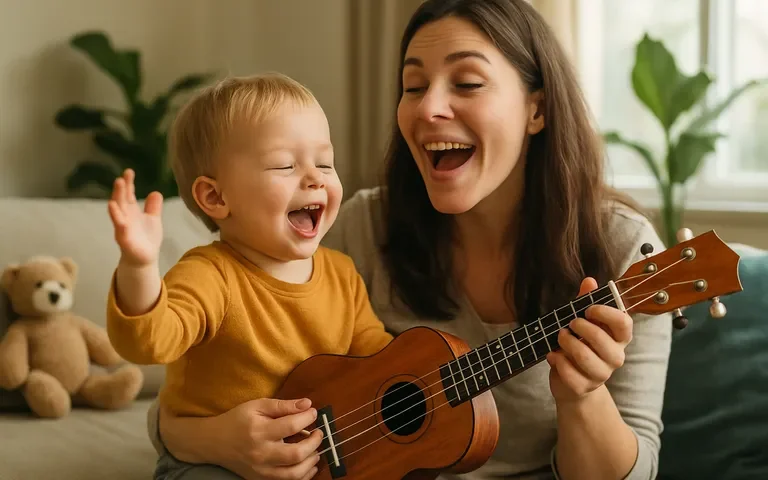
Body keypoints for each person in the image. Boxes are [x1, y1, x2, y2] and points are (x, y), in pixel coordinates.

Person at [145, 0, 673, 479]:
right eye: (413, 87)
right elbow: (201, 393)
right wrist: (224, 440)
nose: (426, 109)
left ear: (537, 109)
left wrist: (583, 397)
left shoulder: (624, 252)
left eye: (466, 83)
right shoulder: (359, 228)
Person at [103, 73, 393, 479]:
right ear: (216, 197)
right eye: (285, 165)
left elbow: (378, 360)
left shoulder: (342, 274)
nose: (315, 178)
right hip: (212, 462)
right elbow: (148, 341)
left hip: (309, 462)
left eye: (325, 162)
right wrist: (138, 265)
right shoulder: (208, 274)